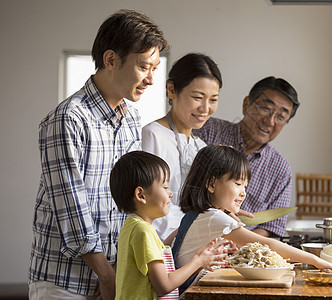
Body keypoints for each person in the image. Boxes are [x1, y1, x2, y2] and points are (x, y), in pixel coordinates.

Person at [28, 9, 168, 300]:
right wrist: (105, 274)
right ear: (111, 60)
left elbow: (132, 199)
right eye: (144, 67)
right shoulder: (69, 118)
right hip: (64, 280)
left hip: (115, 276)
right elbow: (71, 206)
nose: (151, 79)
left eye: (155, 68)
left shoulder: (131, 119)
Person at [172, 145, 332, 293]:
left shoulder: (196, 215)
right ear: (212, 185)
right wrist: (316, 260)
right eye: (237, 184)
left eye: (245, 185)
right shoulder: (214, 217)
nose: (243, 192)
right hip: (188, 293)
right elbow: (268, 244)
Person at [109, 151, 233, 299]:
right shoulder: (143, 232)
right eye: (165, 187)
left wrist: (201, 263)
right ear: (141, 195)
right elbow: (164, 285)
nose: (171, 194)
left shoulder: (130, 226)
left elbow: (164, 277)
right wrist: (198, 260)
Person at [193, 76, 300, 238]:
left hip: (242, 251)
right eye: (265, 108)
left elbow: (272, 228)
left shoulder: (281, 170)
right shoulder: (208, 132)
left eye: (280, 117)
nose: (270, 121)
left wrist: (235, 243)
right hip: (195, 235)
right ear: (246, 105)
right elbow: (185, 186)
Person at [141, 53, 222, 242]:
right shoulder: (153, 135)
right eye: (197, 97)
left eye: (213, 99)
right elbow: (147, 205)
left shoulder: (200, 146)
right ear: (171, 90)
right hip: (158, 246)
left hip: (189, 243)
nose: (205, 108)